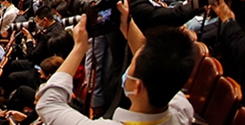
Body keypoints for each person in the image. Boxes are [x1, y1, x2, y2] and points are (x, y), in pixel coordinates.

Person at [35, 11, 195, 125]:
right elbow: (153, 62)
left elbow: (48, 103)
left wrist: (79, 48)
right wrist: (127, 22)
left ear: (137, 86)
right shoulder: (182, 110)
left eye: (131, 67)